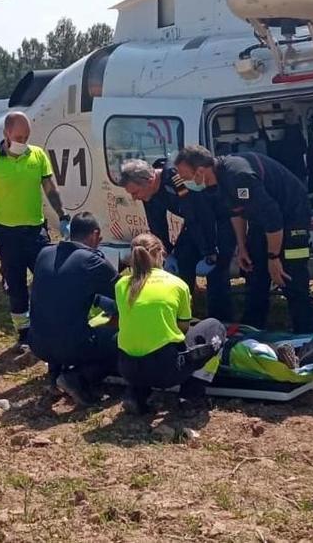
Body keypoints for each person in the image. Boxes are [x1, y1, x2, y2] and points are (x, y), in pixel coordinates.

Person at [173, 146, 313, 333]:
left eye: (185, 177)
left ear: (200, 171)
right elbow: (236, 211)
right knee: (254, 272)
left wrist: (273, 258)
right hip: (262, 220)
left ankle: (307, 334)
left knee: (291, 276)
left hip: (291, 217)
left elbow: (273, 218)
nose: (183, 182)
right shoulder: (217, 180)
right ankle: (253, 330)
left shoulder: (239, 176)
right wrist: (241, 246)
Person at [0, 111, 70, 349]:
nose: (23, 141)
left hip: (35, 233)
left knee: (48, 279)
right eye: (18, 136)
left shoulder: (38, 156)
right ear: (6, 133)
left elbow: (50, 188)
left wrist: (63, 216)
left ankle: (47, 325)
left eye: (26, 136)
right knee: (16, 287)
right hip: (7, 236)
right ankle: (24, 333)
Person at [115, 233, 227, 415]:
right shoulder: (177, 284)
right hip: (165, 370)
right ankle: (191, 396)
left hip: (127, 368)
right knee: (215, 326)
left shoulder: (121, 284)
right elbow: (183, 328)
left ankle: (136, 393)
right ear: (161, 254)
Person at [118, 158, 235, 323]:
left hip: (218, 220)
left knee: (216, 271)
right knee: (182, 261)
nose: (135, 198)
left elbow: (198, 213)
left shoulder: (176, 179)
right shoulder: (149, 193)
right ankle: (180, 318)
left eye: (135, 193)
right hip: (195, 223)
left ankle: (221, 322)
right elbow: (156, 224)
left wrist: (209, 251)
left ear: (150, 180)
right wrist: (165, 252)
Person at [27, 212, 120, 407]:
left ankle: (54, 375)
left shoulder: (45, 252)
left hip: (37, 342)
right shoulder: (92, 261)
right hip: (70, 346)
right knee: (119, 341)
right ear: (94, 235)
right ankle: (77, 378)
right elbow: (124, 294)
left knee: (59, 312)